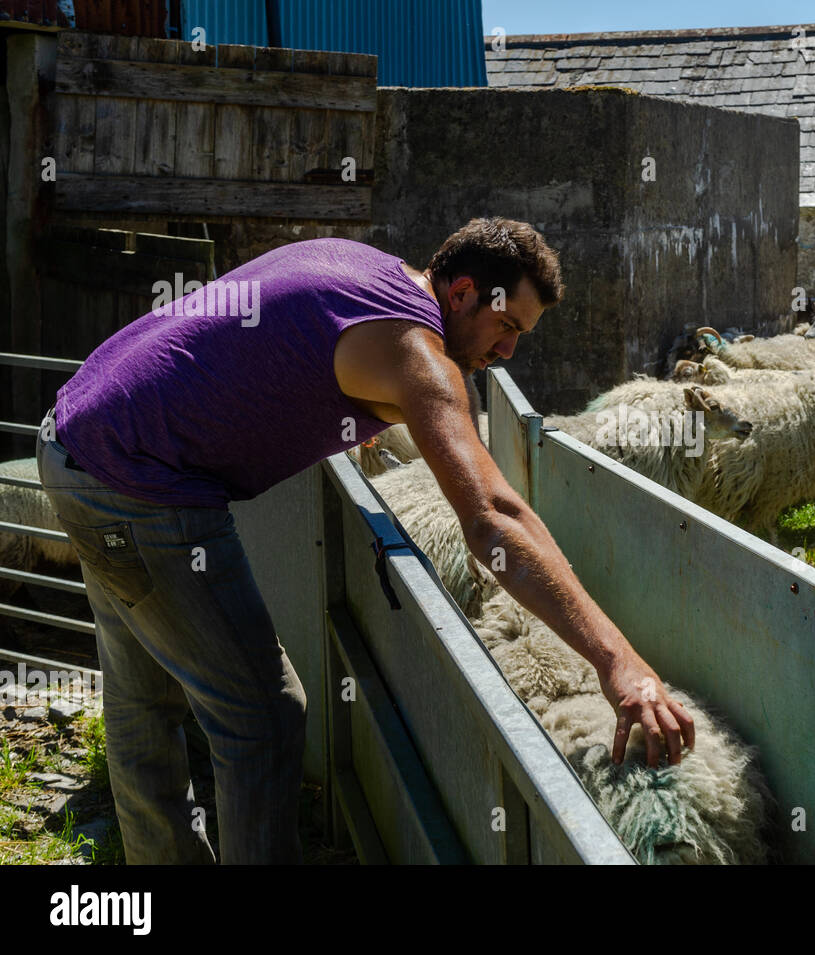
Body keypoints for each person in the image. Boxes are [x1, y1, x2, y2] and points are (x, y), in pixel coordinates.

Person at [36, 217, 693, 864]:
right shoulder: (418, 356)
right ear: (460, 294)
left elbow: (287, 347)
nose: (508, 352)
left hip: (77, 436)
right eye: (507, 326)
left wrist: (348, 416)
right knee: (263, 718)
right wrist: (617, 660)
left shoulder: (372, 272)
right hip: (140, 484)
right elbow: (493, 516)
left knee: (143, 700)